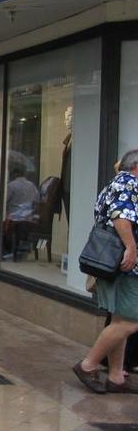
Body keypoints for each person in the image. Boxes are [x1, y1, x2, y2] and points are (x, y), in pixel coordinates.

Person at [73, 149, 138, 394]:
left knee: (120, 318)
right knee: (131, 321)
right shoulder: (129, 182)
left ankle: (116, 376)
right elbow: (121, 216)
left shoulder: (116, 182)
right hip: (127, 265)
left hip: (116, 263)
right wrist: (131, 248)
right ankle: (88, 365)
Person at [4, 164, 40, 259]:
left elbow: (5, 200)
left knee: (1, 225)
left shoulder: (11, 185)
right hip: (29, 218)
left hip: (15, 217)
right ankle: (22, 246)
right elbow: (37, 200)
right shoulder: (31, 185)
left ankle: (6, 250)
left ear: (15, 174)